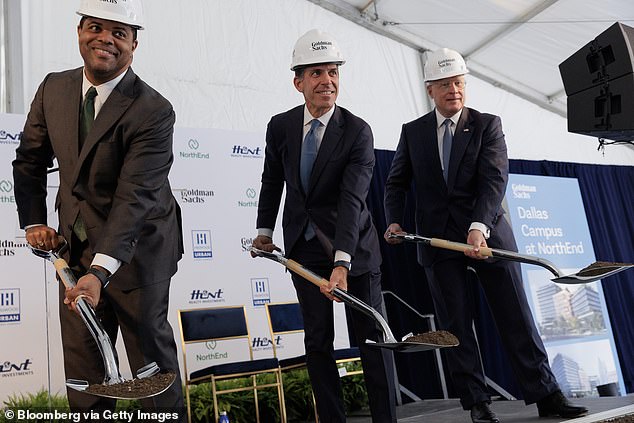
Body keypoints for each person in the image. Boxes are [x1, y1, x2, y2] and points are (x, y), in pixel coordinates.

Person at [383, 48, 588, 423]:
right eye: (445, 84)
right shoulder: (413, 133)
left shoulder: (487, 124)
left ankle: (546, 394)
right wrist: (394, 221)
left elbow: (494, 181)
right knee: (455, 327)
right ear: (430, 89)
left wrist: (479, 228)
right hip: (437, 242)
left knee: (516, 317)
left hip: (488, 236)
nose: (454, 91)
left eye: (459, 83)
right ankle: (476, 402)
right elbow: (396, 183)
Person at [12, 0, 184, 419]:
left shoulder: (153, 110)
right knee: (86, 372)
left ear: (134, 44)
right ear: (80, 32)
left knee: (151, 373)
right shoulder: (53, 87)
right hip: (73, 250)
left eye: (119, 32)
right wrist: (35, 221)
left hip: (139, 253)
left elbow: (135, 198)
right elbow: (29, 161)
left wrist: (100, 271)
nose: (105, 38)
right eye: (96, 27)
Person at [252, 29, 397, 423]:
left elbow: (352, 201)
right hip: (304, 249)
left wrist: (343, 263)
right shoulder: (280, 126)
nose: (327, 81)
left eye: (332, 71)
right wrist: (264, 231)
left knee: (371, 343)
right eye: (316, 73)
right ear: (298, 81)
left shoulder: (357, 131)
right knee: (317, 342)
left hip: (355, 253)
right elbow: (271, 180)